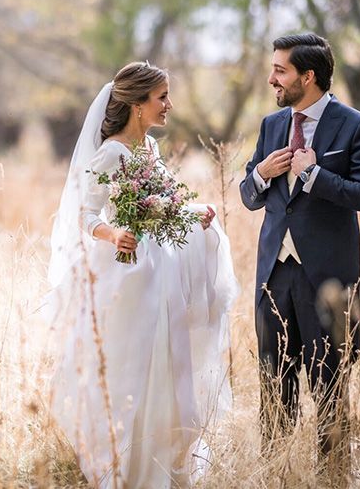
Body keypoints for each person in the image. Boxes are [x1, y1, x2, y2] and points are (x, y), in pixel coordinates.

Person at [46, 62, 238, 489]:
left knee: (167, 362)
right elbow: (86, 213)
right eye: (162, 97)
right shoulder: (111, 152)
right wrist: (116, 233)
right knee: (130, 364)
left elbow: (167, 201)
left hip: (161, 270)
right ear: (137, 105)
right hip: (126, 275)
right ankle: (123, 463)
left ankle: (162, 458)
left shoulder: (149, 148)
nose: (169, 104)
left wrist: (197, 212)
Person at [240, 33, 360, 456]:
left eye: (280, 70)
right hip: (273, 276)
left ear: (309, 75)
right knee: (273, 383)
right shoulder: (271, 126)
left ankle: (333, 474)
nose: (271, 79)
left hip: (327, 279)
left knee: (329, 387)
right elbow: (249, 196)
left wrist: (315, 176)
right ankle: (277, 471)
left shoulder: (356, 125)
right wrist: (262, 174)